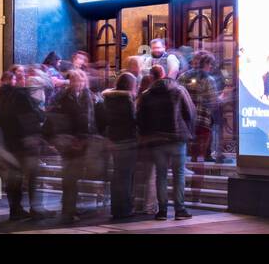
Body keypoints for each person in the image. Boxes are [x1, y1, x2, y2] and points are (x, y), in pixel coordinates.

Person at [136, 64, 195, 220]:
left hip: (156, 140)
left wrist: (146, 135)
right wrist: (188, 132)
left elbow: (141, 118)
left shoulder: (147, 94)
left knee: (161, 175)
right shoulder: (179, 90)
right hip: (177, 138)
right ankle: (180, 209)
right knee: (179, 175)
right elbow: (190, 112)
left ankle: (162, 211)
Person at [0, 64, 46, 220]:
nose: (24, 79)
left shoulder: (1, 97)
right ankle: (35, 209)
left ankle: (15, 209)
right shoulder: (20, 96)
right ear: (14, 80)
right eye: (21, 76)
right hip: (25, 142)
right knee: (32, 176)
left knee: (14, 177)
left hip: (10, 142)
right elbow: (35, 115)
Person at [45, 68, 97, 223]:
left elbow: (89, 119)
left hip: (82, 142)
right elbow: (56, 118)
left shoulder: (87, 96)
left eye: (80, 81)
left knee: (73, 177)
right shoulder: (64, 97)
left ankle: (71, 206)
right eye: (74, 81)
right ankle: (69, 209)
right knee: (70, 177)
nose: (77, 84)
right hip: (69, 142)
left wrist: (86, 137)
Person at [96, 72, 138, 220]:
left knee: (117, 176)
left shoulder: (106, 99)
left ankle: (116, 208)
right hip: (127, 141)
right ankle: (125, 208)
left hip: (111, 141)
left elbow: (99, 120)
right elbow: (133, 121)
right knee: (125, 176)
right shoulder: (128, 100)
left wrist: (106, 137)